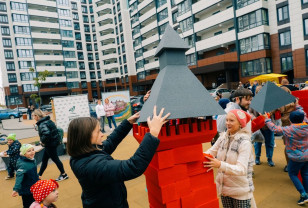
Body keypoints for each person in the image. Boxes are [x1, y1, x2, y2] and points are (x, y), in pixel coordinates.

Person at [68, 106, 170, 207]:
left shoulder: (83, 153)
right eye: (98, 131)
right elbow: (133, 167)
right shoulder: (93, 166)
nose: (102, 134)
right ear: (86, 137)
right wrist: (152, 134)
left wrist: (128, 123)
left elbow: (111, 141)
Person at [204, 109, 256, 208]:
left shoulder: (244, 142)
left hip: (240, 191)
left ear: (240, 123)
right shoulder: (223, 137)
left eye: (232, 120)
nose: (228, 123)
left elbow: (242, 169)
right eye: (227, 120)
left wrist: (220, 165)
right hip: (225, 189)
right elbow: (211, 151)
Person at [264, 111, 308, 205]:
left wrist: (267, 119)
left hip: (295, 158)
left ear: (290, 120)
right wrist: (298, 106)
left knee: (292, 174)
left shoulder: (289, 129)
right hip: (307, 156)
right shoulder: (306, 125)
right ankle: (306, 192)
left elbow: (275, 129)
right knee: (305, 174)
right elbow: (304, 116)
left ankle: (303, 194)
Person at [32, 109, 68, 181]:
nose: (33, 117)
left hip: (50, 144)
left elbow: (47, 134)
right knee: (44, 160)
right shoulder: (48, 121)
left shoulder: (42, 124)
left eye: (33, 116)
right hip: (53, 143)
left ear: (36, 116)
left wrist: (42, 141)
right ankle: (39, 175)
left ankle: (64, 174)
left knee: (55, 159)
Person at [250, 86, 275, 167]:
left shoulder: (270, 101)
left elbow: (275, 109)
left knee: (270, 142)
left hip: (269, 125)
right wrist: (255, 118)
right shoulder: (253, 101)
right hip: (258, 125)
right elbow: (250, 112)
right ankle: (257, 158)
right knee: (257, 142)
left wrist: (269, 113)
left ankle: (269, 158)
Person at [279, 86, 296, 172]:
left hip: (286, 126)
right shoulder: (295, 100)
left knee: (287, 146)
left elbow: (275, 111)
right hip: (296, 125)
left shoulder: (280, 103)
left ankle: (289, 165)